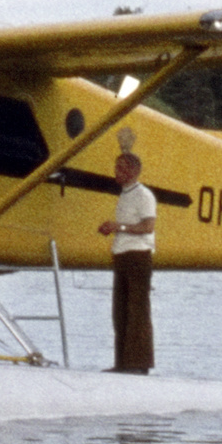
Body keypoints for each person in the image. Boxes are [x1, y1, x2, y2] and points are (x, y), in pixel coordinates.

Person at [98, 150, 156, 374]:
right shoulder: (124, 194)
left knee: (137, 311)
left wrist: (118, 227)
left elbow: (148, 227)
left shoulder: (144, 195)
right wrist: (113, 229)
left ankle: (139, 364)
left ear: (134, 171)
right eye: (116, 167)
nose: (117, 172)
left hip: (138, 255)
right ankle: (122, 362)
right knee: (120, 311)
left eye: (122, 168)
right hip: (122, 255)